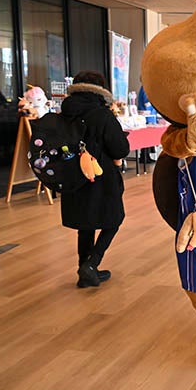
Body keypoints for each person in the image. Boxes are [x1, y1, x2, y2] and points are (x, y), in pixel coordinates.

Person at [60, 71, 130, 288]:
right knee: (114, 219)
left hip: (73, 176)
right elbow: (120, 149)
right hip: (101, 176)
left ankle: (84, 270)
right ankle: (91, 264)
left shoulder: (65, 113)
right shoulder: (102, 114)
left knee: (85, 223)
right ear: (101, 90)